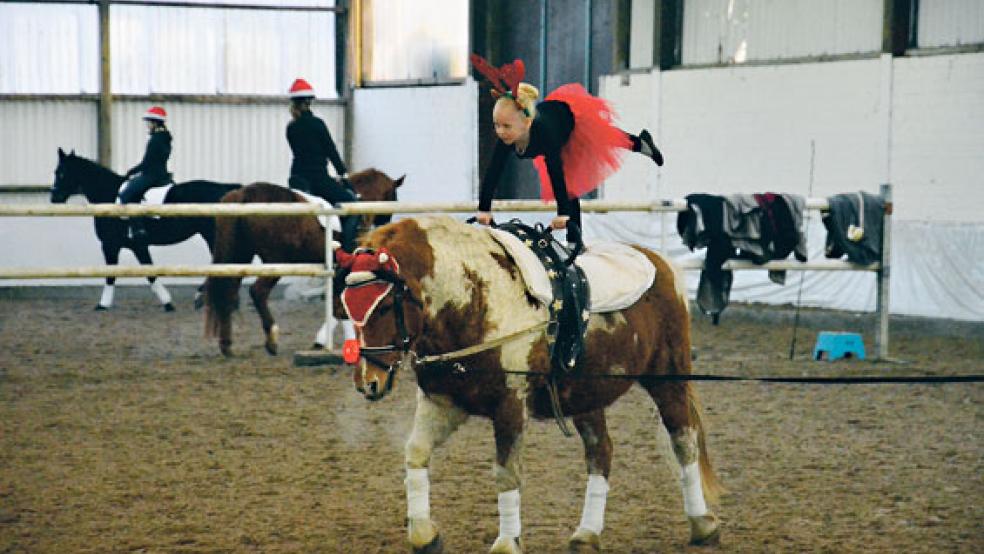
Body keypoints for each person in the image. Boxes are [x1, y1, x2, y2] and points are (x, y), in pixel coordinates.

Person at [471, 55, 663, 244]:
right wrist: (484, 209)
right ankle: (575, 239)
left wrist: (562, 213)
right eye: (497, 125)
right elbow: (493, 172)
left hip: (569, 119)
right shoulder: (507, 139)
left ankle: (642, 144)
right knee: (571, 185)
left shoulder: (545, 134)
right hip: (551, 115)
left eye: (506, 126)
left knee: (606, 139)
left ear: (527, 123)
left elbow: (556, 173)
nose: (500, 132)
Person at [285, 78, 361, 252]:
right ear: (309, 102)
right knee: (353, 206)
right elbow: (330, 150)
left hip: (296, 178)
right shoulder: (317, 124)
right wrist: (343, 173)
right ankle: (346, 253)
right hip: (317, 179)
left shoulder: (291, 127)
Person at [119, 106, 173, 241]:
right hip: (160, 173)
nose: (147, 125)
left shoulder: (156, 140)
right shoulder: (164, 137)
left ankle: (138, 229)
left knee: (126, 194)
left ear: (155, 123)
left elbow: (147, 162)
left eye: (149, 122)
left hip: (152, 175)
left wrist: (131, 171)